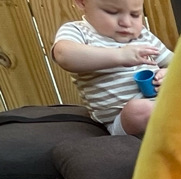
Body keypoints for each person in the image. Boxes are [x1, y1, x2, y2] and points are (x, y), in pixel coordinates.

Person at [52, 0, 173, 137]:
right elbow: (64, 55)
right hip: (124, 120)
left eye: (135, 14)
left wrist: (169, 74)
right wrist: (120, 55)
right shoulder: (79, 31)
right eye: (112, 12)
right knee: (139, 109)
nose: (126, 23)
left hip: (164, 101)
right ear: (82, 2)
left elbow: (179, 64)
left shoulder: (142, 35)